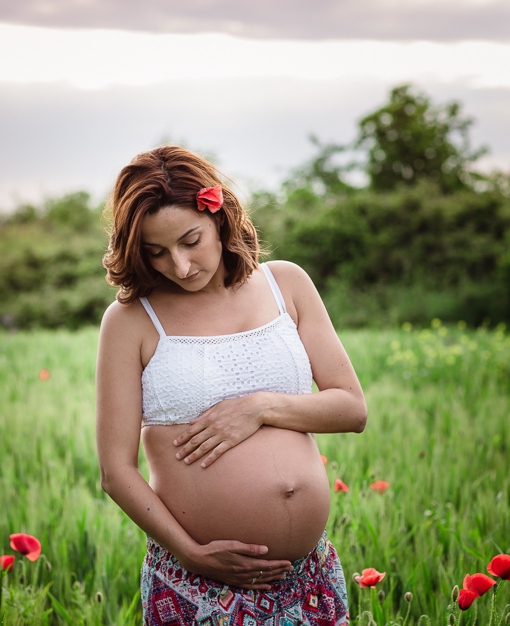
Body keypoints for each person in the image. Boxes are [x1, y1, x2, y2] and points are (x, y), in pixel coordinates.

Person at [95, 145, 367, 625]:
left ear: (218, 216)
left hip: (308, 579)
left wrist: (261, 407)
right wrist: (189, 553)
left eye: (190, 241)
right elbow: (116, 471)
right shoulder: (131, 320)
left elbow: (351, 409)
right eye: (156, 252)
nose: (179, 266)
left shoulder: (287, 284)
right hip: (197, 585)